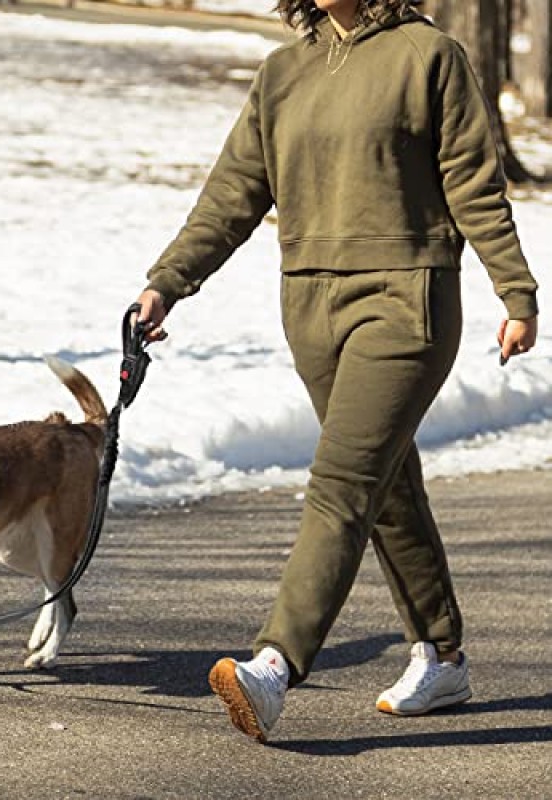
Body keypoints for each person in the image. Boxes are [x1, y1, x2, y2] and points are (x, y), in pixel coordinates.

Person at [132, 0, 539, 743]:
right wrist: (168, 282)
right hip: (311, 303)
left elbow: (474, 182)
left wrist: (516, 291)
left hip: (406, 299)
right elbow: (232, 195)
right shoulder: (284, 70)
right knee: (385, 484)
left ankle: (275, 665)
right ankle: (443, 655)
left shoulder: (428, 54)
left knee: (342, 482)